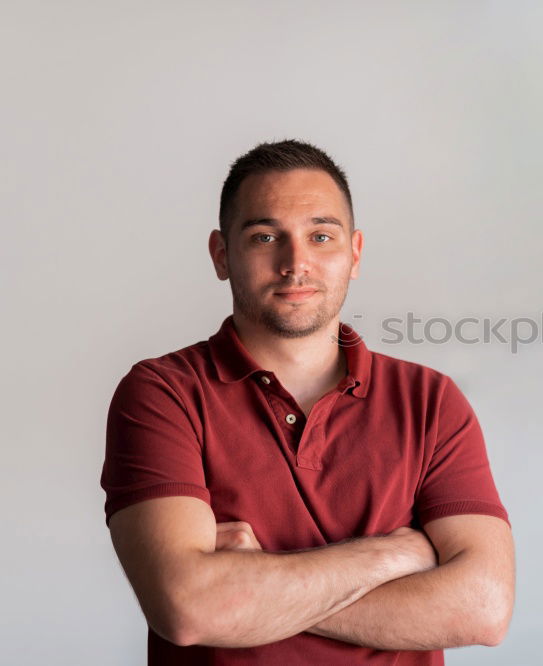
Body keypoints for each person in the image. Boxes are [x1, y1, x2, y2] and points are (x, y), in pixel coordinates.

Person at [100, 139, 515, 665]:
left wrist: (253, 590)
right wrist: (393, 555)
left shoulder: (431, 401)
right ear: (221, 254)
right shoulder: (162, 393)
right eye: (265, 236)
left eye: (321, 236)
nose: (296, 263)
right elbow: (190, 608)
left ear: (355, 253)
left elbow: (483, 608)